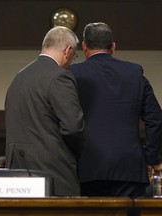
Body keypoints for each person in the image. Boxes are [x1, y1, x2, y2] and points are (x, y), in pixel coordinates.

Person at [68, 22, 162, 198]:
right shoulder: (134, 73)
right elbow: (155, 118)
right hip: (129, 167)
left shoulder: (73, 73)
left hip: (87, 167)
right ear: (113, 47)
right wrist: (149, 158)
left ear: (84, 46)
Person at [5, 26, 86, 196]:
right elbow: (73, 127)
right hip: (54, 175)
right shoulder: (60, 76)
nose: (72, 60)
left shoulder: (18, 78)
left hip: (18, 175)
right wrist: (81, 155)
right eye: (74, 55)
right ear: (68, 50)